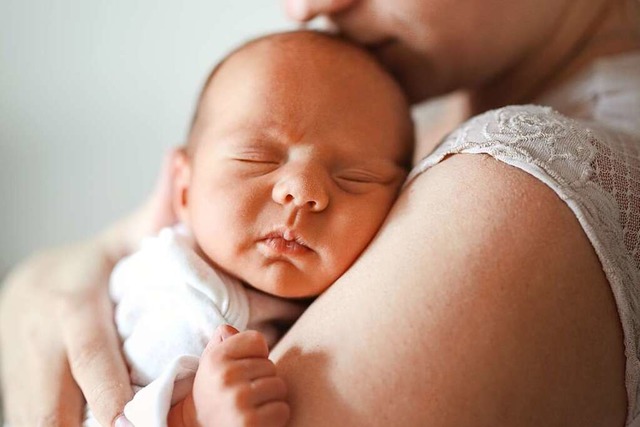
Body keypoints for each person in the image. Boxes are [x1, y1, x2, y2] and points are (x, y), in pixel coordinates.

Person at [1, 0, 639, 426]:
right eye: (256, 159)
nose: (306, 7)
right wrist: (43, 280)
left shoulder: (515, 193)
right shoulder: (397, 111)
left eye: (355, 177)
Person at [82, 30, 412, 427]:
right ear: (183, 191)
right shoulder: (182, 296)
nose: (303, 191)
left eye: (355, 178)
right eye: (257, 159)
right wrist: (189, 416)